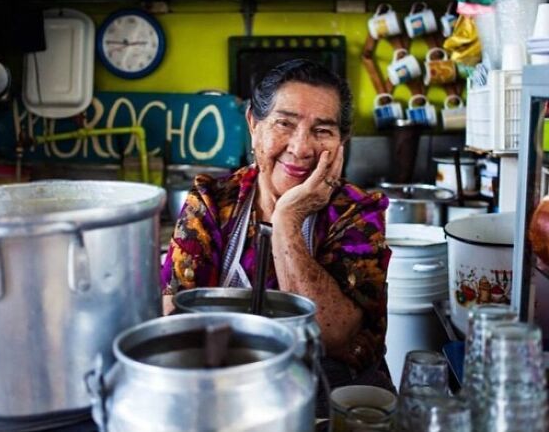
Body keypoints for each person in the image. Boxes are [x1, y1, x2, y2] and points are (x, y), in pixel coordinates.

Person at [160, 59, 394, 412]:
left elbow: (333, 335)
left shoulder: (357, 213)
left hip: (335, 403)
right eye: (284, 123)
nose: (301, 148)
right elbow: (175, 323)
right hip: (224, 397)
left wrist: (288, 220)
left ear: (342, 141)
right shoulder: (212, 203)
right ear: (254, 125)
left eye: (322, 130)